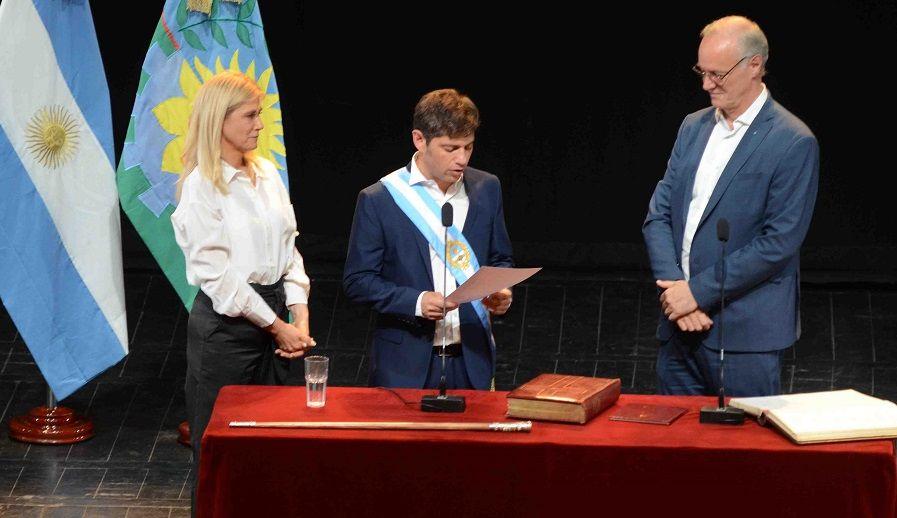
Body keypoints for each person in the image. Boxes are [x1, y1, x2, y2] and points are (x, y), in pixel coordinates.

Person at [642, 16, 818, 397]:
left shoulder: (792, 141)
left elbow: (778, 243)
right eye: (701, 72)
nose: (706, 84)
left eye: (717, 74)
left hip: (744, 339)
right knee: (676, 436)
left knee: (746, 438)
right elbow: (658, 215)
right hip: (678, 327)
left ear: (754, 65)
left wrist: (697, 292)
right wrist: (676, 291)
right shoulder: (692, 127)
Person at [171, 71, 315, 503]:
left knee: (275, 446)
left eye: (259, 114)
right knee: (220, 453)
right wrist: (277, 326)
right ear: (219, 119)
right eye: (250, 115)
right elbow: (219, 277)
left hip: (275, 316)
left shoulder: (266, 173)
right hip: (227, 329)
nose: (259, 125)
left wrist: (299, 313)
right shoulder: (201, 187)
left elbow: (288, 247)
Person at [343, 88, 513, 390]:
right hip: (405, 366)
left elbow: (501, 258)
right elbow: (358, 281)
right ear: (419, 140)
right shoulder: (379, 199)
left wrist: (501, 289)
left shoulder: (487, 188)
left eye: (468, 147)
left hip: (471, 360)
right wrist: (417, 302)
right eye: (451, 148)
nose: (462, 159)